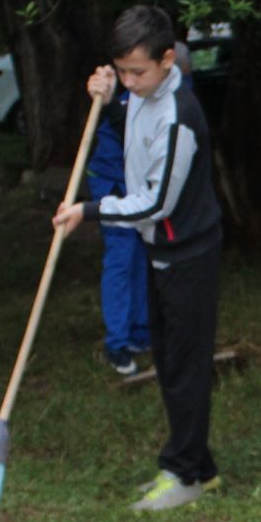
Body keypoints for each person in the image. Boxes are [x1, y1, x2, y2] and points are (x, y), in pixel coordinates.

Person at [55, 8, 222, 511]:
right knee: (169, 360)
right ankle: (200, 468)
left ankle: (185, 474)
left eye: (137, 72)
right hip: (161, 250)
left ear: (168, 60)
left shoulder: (180, 121)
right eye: (121, 70)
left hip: (189, 253)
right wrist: (106, 100)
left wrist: (89, 208)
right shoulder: (145, 95)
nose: (129, 81)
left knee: (185, 367)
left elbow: (154, 202)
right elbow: (130, 120)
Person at [86, 68, 152, 375]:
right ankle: (117, 343)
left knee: (141, 257)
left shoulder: (165, 94)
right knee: (121, 261)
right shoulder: (127, 96)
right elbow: (128, 130)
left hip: (139, 187)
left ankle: (139, 331)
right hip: (113, 183)